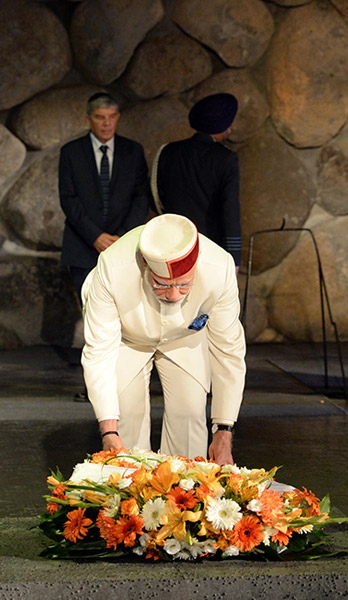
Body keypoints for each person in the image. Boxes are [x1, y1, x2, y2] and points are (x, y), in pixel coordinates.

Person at [81, 214, 245, 465]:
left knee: (189, 414)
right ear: (146, 266)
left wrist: (224, 431)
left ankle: (185, 497)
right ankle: (131, 497)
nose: (173, 294)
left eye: (184, 284)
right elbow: (99, 351)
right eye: (161, 284)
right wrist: (109, 431)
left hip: (184, 336)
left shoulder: (219, 268)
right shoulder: (112, 267)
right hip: (127, 336)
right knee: (127, 419)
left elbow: (228, 351)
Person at [59, 92, 151, 401]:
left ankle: (126, 384)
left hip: (125, 247)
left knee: (126, 317)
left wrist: (123, 239)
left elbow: (141, 197)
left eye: (112, 117)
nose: (106, 123)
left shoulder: (133, 151)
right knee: (95, 321)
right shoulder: (71, 152)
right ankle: (96, 388)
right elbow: (68, 199)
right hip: (85, 247)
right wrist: (95, 236)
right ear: (88, 119)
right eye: (100, 117)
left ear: (118, 118)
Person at [152, 92, 241, 269]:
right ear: (223, 125)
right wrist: (234, 259)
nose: (230, 130)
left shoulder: (167, 151)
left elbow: (157, 198)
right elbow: (230, 211)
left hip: (171, 248)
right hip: (211, 250)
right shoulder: (226, 158)